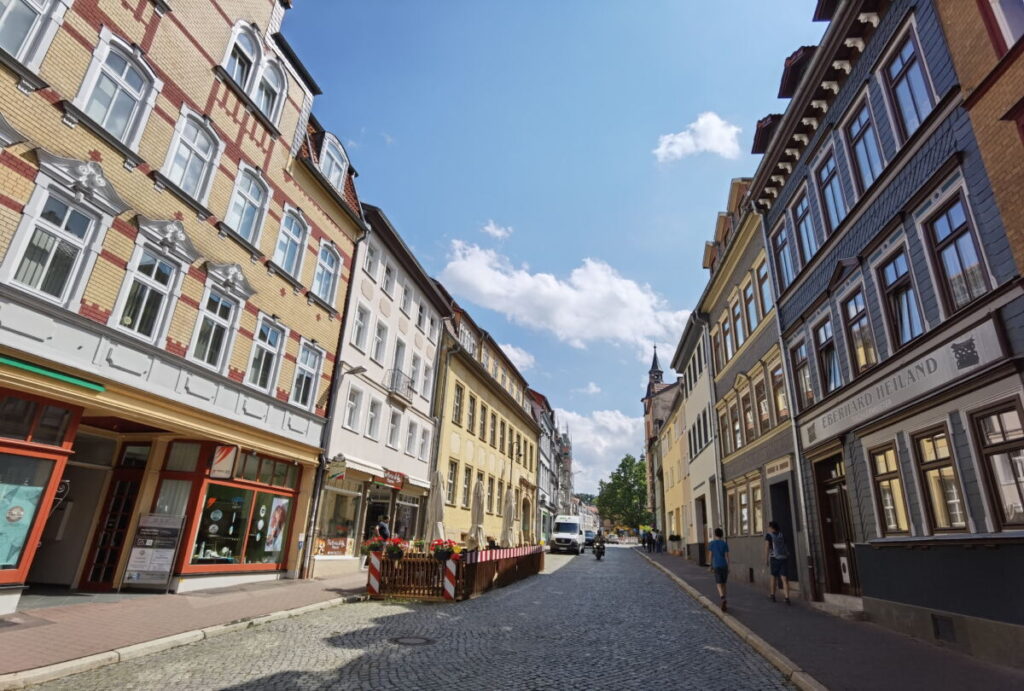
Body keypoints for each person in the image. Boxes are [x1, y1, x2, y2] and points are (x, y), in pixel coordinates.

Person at [765, 520, 790, 604]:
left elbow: (767, 548)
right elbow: (785, 545)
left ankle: (772, 595)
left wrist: (766, 559)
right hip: (783, 558)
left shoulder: (769, 536)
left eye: (769, 527)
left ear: (772, 528)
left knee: (773, 577)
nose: (768, 528)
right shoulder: (781, 534)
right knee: (784, 578)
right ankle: (787, 597)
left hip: (774, 558)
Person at [707, 528, 730, 612]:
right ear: (722, 534)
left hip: (716, 565)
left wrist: (710, 565)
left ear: (715, 534)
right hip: (724, 565)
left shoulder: (712, 544)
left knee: (718, 583)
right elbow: (727, 556)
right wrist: (729, 566)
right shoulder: (724, 544)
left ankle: (722, 598)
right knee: (724, 584)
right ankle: (725, 601)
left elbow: (710, 555)